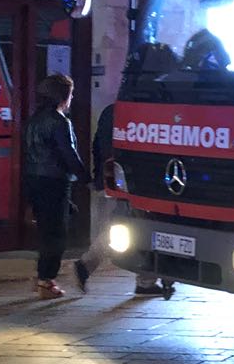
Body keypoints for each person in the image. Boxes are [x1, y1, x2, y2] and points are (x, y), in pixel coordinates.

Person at [74, 100, 173, 297]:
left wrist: (99, 176)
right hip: (132, 184)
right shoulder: (145, 112)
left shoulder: (109, 111)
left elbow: (97, 146)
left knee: (130, 228)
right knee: (132, 228)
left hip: (111, 178)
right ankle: (87, 265)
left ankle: (145, 281)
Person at [22, 73, 88, 300]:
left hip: (35, 180)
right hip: (55, 181)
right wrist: (85, 177)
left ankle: (42, 276)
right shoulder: (60, 122)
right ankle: (46, 280)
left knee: (46, 231)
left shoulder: (34, 120)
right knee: (56, 233)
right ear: (63, 95)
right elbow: (68, 153)